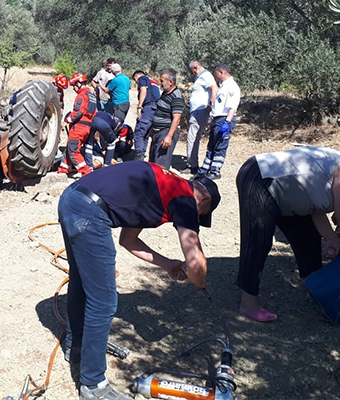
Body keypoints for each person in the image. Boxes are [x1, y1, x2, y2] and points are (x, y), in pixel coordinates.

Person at [59, 161, 221, 400]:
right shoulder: (186, 197)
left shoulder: (162, 185)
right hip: (90, 212)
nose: (196, 219)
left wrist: (168, 264)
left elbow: (128, 240)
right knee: (103, 302)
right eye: (201, 216)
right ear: (204, 199)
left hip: (72, 198)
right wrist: (199, 280)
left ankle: (77, 347)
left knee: (81, 283)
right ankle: (93, 386)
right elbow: (196, 265)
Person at [235, 141, 340, 323]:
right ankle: (249, 304)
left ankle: (319, 291)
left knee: (308, 238)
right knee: (258, 241)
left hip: (284, 191)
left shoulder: (337, 160)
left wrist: (331, 238)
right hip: (260, 177)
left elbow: (314, 205)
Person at [196, 63, 240, 181]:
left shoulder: (232, 86)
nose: (215, 76)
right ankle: (205, 169)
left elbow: (232, 107)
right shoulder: (223, 86)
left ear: (221, 72)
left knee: (220, 145)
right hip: (217, 118)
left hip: (224, 118)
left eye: (216, 73)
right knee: (211, 145)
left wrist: (227, 122)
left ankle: (215, 170)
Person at [58, 73, 97, 176]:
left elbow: (78, 112)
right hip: (87, 127)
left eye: (74, 86)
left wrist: (67, 120)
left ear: (78, 83)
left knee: (73, 151)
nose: (74, 89)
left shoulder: (82, 95)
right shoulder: (91, 95)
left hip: (79, 127)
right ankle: (62, 169)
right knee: (69, 148)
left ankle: (86, 173)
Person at [147, 69, 184, 169]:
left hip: (166, 132)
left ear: (171, 82)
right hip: (158, 132)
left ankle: (161, 184)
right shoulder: (165, 93)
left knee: (161, 165)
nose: (160, 83)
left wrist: (169, 136)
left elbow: (177, 118)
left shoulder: (176, 97)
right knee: (153, 163)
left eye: (162, 81)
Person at [186, 61, 218, 175]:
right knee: (193, 137)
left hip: (200, 111)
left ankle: (192, 165)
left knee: (192, 137)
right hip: (198, 111)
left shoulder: (205, 75)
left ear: (195, 68)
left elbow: (214, 88)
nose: (192, 73)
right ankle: (192, 163)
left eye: (192, 71)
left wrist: (211, 105)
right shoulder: (202, 77)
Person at [131, 70, 160, 161]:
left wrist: (139, 106)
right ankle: (142, 153)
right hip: (156, 109)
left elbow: (143, 90)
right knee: (146, 133)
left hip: (148, 108)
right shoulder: (154, 82)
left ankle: (139, 155)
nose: (136, 82)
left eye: (135, 80)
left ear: (137, 76)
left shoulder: (142, 79)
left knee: (139, 132)